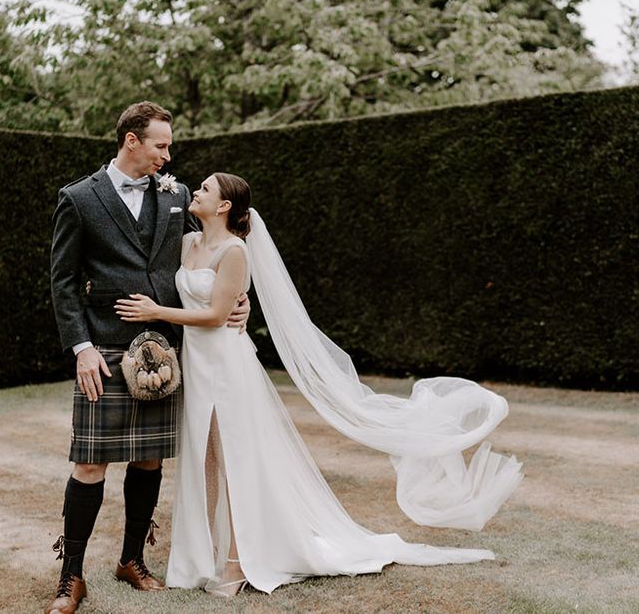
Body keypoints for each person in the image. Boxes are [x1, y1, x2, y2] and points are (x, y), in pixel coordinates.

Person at [116, 172, 523, 597]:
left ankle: (237, 564)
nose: (193, 192)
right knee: (206, 462)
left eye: (204, 189)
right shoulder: (190, 244)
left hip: (225, 369)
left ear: (223, 206)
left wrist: (155, 312)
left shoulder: (235, 251)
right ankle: (209, 555)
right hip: (195, 368)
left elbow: (218, 315)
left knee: (232, 461)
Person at [47, 103, 249, 614]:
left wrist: (238, 300)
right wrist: (82, 347)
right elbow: (63, 282)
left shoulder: (178, 194)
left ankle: (132, 559)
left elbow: (214, 251)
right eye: (160, 144)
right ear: (131, 141)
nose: (168, 154)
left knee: (149, 458)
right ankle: (70, 576)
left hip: (165, 348)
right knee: (90, 463)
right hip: (105, 349)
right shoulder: (79, 197)